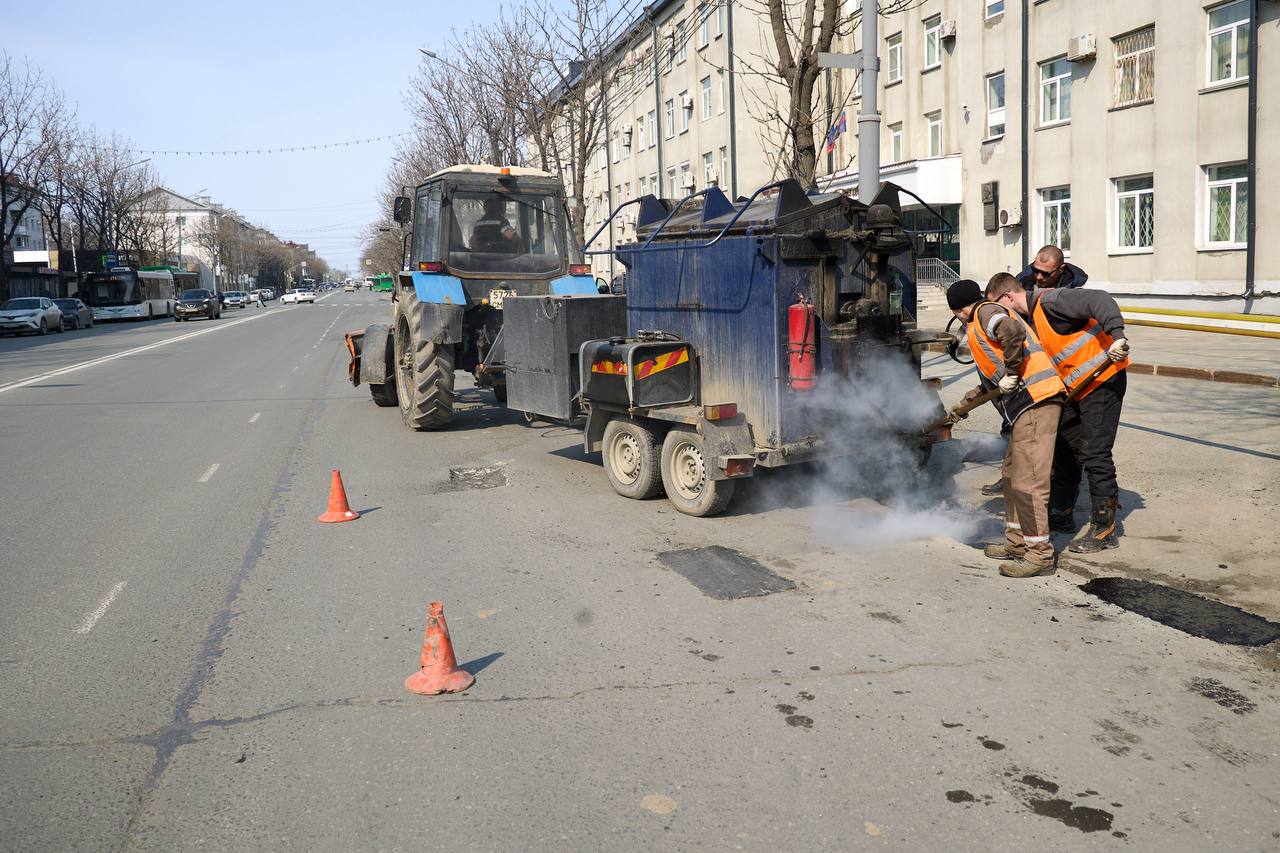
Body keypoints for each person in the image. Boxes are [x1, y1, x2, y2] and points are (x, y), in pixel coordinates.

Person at [990, 276, 1132, 553]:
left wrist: (1118, 336)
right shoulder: (1029, 321)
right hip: (1076, 388)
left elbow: (1099, 299)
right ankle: (1062, 513)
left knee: (1095, 452)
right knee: (1064, 448)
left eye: (999, 307)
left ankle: (1105, 529)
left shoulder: (1053, 301)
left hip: (1104, 381)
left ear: (1007, 297)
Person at [948, 276, 1066, 577]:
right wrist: (960, 409)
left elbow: (1011, 332)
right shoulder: (977, 326)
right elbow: (992, 382)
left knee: (1029, 481)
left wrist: (1013, 371)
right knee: (1011, 474)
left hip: (1037, 401)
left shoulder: (984, 312)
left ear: (960, 310)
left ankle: (1039, 555)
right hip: (1025, 407)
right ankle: (1016, 543)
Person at [1016, 244, 1088, 293]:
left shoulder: (1076, 289)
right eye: (1035, 270)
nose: (1038, 277)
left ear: (1061, 269)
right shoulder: (1022, 281)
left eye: (1045, 274)